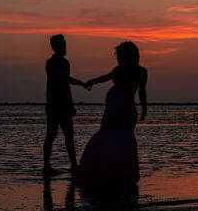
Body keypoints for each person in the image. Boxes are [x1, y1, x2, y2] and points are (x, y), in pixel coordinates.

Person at [74, 41, 147, 184]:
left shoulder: (121, 70)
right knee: (123, 140)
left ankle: (106, 172)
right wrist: (144, 108)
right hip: (125, 110)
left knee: (107, 137)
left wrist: (92, 81)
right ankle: (122, 173)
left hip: (118, 109)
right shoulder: (141, 71)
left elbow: (105, 78)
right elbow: (142, 91)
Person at [43, 34, 89, 176]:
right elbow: (64, 78)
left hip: (65, 105)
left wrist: (71, 105)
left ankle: (74, 165)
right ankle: (46, 166)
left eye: (65, 44)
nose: (65, 47)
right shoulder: (52, 63)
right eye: (62, 44)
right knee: (51, 134)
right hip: (54, 105)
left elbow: (66, 86)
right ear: (54, 47)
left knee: (69, 136)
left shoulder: (66, 62)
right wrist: (82, 83)